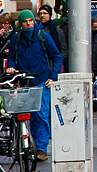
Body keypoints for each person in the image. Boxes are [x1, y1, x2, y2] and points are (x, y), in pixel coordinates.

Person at [4, 9, 62, 161]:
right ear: (20, 24)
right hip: (24, 81)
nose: (29, 24)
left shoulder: (43, 36)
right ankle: (30, 146)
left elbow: (57, 56)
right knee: (27, 117)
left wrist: (53, 77)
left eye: (30, 21)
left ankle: (41, 149)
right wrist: (11, 67)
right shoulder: (17, 38)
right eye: (25, 22)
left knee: (41, 115)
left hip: (41, 81)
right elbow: (12, 57)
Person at [37, 5, 69, 73]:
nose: (42, 15)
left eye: (45, 13)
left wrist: (57, 62)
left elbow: (64, 50)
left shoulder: (57, 31)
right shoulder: (36, 30)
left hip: (54, 66)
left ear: (49, 15)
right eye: (40, 13)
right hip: (39, 66)